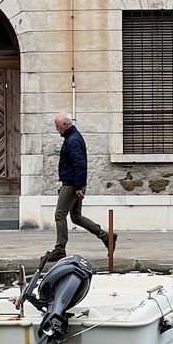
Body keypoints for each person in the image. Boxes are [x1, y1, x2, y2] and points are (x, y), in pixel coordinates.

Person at [48, 112, 115, 262]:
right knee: (76, 217)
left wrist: (78, 187)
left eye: (57, 126)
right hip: (75, 183)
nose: (56, 129)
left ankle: (59, 249)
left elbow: (80, 164)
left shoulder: (72, 140)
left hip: (72, 184)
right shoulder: (73, 137)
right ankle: (106, 237)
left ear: (65, 125)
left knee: (60, 214)